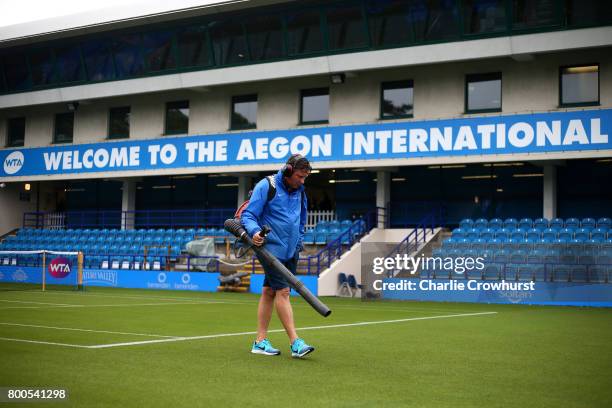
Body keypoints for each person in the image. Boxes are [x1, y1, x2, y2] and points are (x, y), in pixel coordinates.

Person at [240, 154, 315, 358]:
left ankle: (260, 341)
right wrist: (254, 231)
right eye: (299, 176)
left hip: (291, 250)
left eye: (305, 177)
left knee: (268, 291)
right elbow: (248, 215)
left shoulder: (300, 191)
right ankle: (295, 342)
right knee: (283, 292)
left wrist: (299, 241)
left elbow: (301, 219)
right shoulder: (266, 186)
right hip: (270, 250)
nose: (302, 181)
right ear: (289, 171)